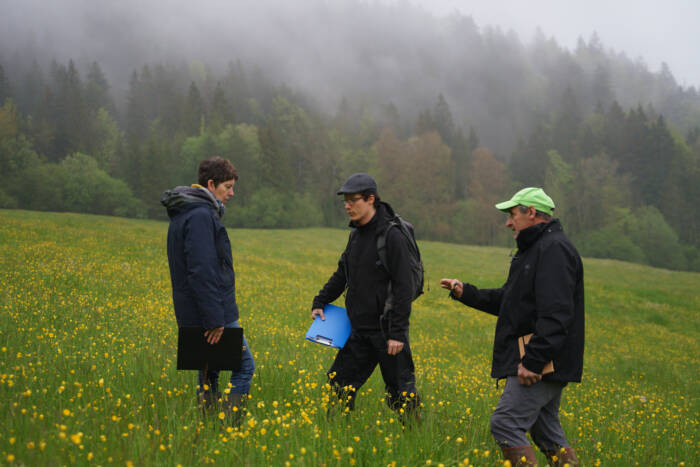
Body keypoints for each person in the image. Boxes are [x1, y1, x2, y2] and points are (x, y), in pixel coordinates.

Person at [440, 187, 583, 466]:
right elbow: (510, 301)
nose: (508, 222)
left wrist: (533, 361)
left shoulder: (553, 250)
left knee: (505, 423)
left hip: (543, 361)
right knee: (546, 431)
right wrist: (465, 292)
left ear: (531, 213)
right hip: (543, 357)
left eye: (512, 214)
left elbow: (556, 314)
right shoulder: (535, 249)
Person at [311, 173, 421, 420]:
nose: (347, 206)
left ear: (370, 199)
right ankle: (339, 435)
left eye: (353, 200)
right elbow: (343, 272)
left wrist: (397, 333)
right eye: (345, 201)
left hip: (387, 331)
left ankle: (415, 437)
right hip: (358, 330)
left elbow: (404, 287)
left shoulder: (391, 236)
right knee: (338, 385)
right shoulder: (356, 235)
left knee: (401, 395)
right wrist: (320, 300)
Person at [161, 156, 254, 425]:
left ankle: (208, 423)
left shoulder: (187, 212)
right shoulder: (201, 215)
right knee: (245, 368)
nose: (231, 193)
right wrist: (215, 319)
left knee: (208, 371)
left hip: (195, 310)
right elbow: (202, 271)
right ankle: (229, 426)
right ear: (211, 185)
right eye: (227, 187)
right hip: (213, 313)